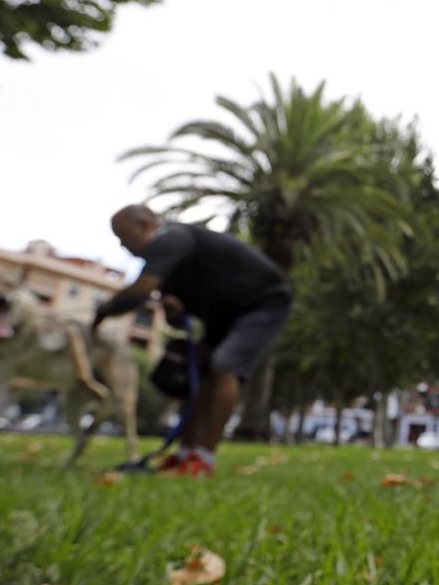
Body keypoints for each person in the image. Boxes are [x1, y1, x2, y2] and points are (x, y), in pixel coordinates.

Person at [93, 204, 292, 476]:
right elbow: (178, 320)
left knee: (224, 365)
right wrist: (175, 312)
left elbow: (140, 291)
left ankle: (204, 459)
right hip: (222, 314)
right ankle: (185, 454)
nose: (123, 245)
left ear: (142, 225)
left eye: (123, 236)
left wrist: (104, 310)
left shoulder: (170, 238)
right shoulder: (168, 266)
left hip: (264, 303)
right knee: (201, 373)